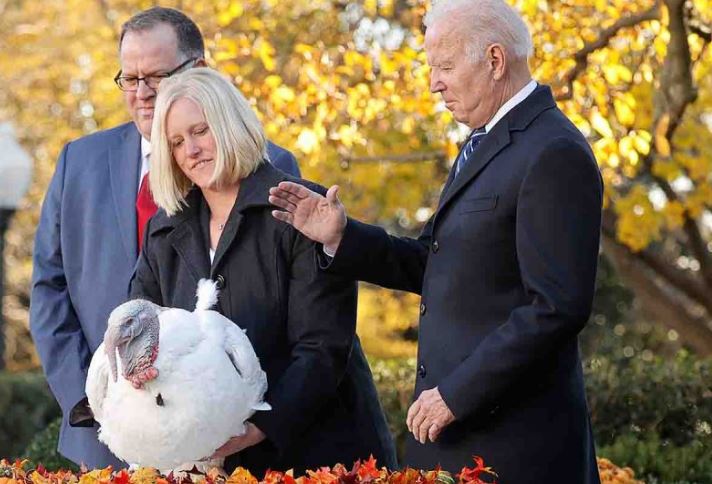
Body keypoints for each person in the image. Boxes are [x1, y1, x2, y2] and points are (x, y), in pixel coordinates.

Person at [269, 0, 603, 482]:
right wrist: (341, 236)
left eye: (444, 66)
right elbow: (433, 263)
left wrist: (455, 394)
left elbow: (557, 307)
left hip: (515, 452)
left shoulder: (553, 151)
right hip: (454, 446)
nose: (433, 83)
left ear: (494, 60)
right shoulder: (482, 142)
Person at [30, 7, 300, 469]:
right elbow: (49, 291)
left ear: (198, 70)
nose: (141, 93)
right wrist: (96, 402)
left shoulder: (269, 167)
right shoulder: (79, 162)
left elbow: (294, 323)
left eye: (156, 76)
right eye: (129, 78)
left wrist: (232, 416)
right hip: (104, 435)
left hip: (226, 442)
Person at [128, 67, 396, 475]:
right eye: (177, 142)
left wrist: (256, 427)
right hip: (206, 460)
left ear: (229, 124)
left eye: (200, 131)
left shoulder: (302, 209)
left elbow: (322, 348)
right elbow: (138, 325)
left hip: (316, 457)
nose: (191, 150)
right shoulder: (164, 232)